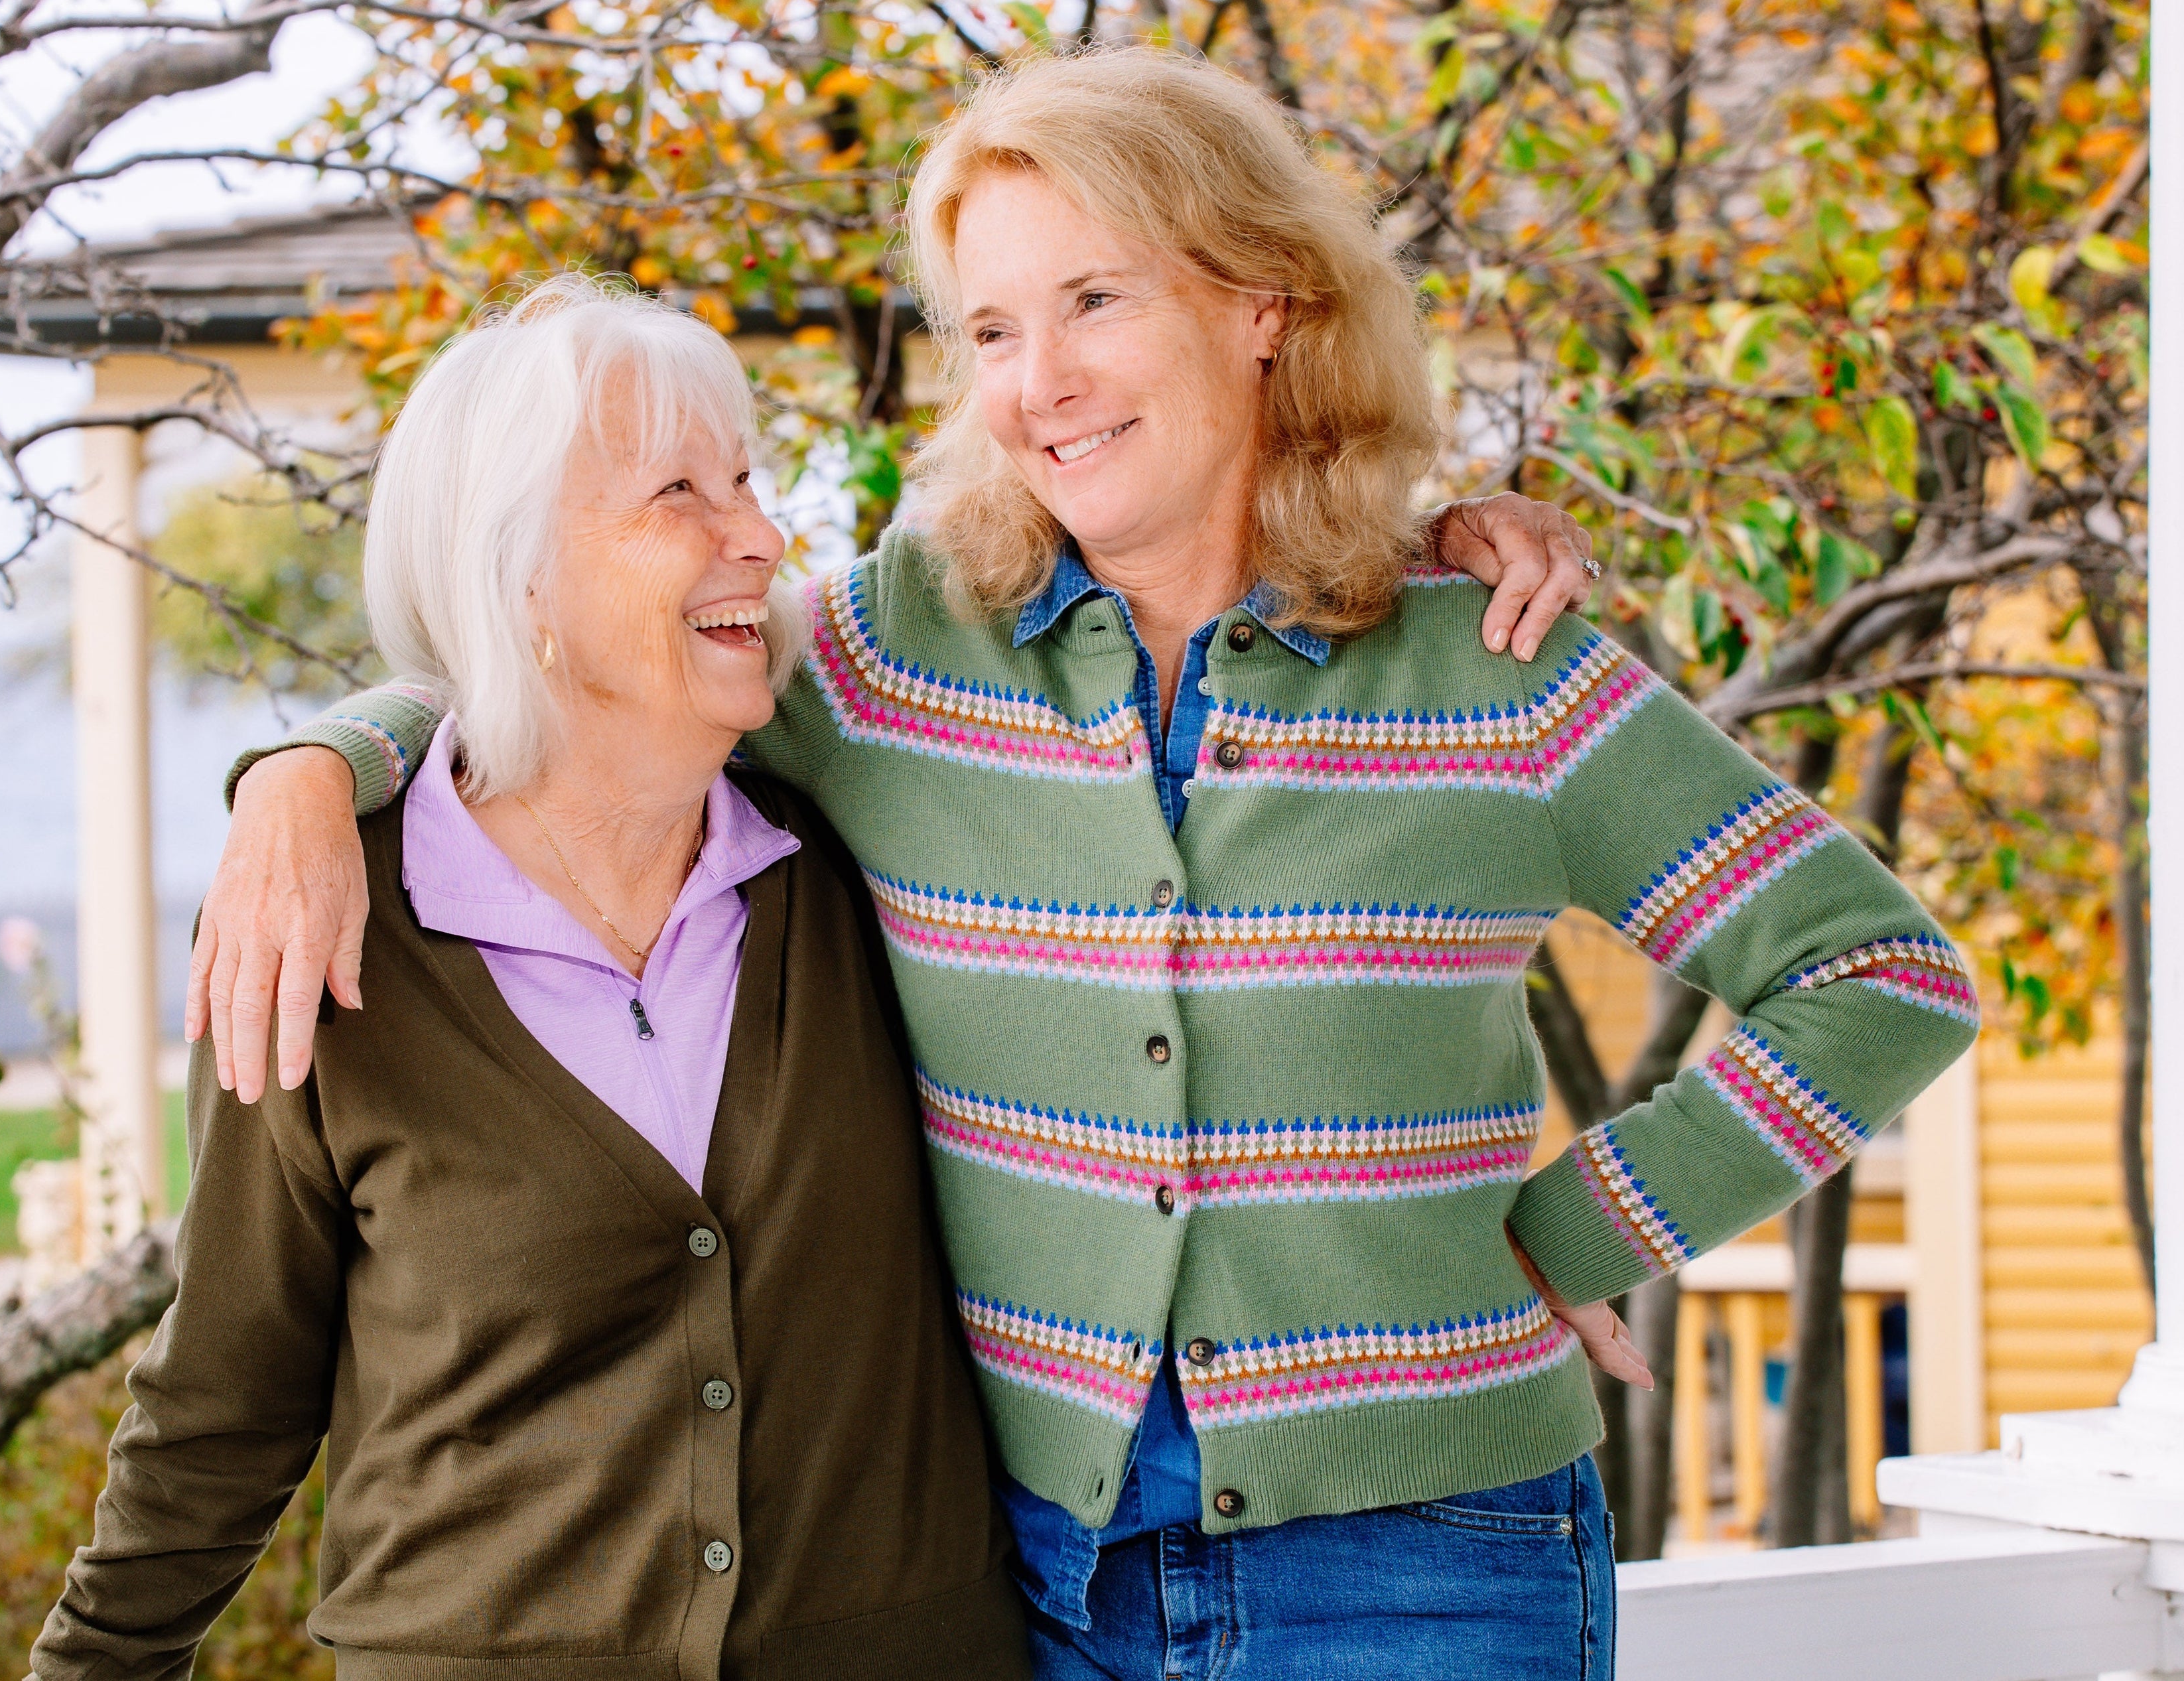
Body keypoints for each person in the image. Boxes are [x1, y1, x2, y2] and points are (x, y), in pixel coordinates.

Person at [193, 50, 1979, 1681]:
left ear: (1263, 299)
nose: (1035, 382)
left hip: (1428, 1562)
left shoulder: (1493, 659)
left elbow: (1876, 974)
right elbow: (583, 649)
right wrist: (310, 766)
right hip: (1035, 1572)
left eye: (1093, 302)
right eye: (987, 330)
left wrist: (1584, 1220)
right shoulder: (899, 650)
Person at [29, 278, 1034, 1681]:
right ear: (522, 579)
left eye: (744, 479)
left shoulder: (856, 853)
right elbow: (228, 1391)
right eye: (678, 492)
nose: (757, 534)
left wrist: (1420, 531)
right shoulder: (324, 920)